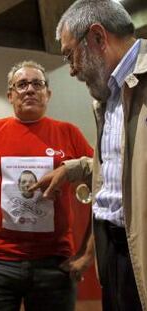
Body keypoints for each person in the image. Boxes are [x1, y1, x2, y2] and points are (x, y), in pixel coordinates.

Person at [30, 1, 147, 310]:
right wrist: (74, 168)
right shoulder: (109, 95)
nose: (71, 69)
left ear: (97, 37)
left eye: (70, 54)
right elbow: (127, 161)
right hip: (113, 248)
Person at [0, 60, 94, 311]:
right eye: (22, 84)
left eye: (37, 84)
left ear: (48, 94)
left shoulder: (69, 133)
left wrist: (87, 254)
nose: (30, 89)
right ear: (10, 95)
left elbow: (105, 187)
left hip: (55, 265)